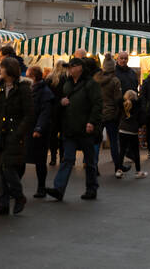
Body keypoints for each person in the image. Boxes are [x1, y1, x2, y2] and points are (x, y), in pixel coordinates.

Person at [0, 57, 34, 215]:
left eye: (2, 67)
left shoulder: (23, 88)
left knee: (7, 167)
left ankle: (18, 196)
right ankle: (3, 204)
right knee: (0, 169)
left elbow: (29, 114)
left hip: (14, 133)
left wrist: (19, 132)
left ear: (9, 69)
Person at [47, 57, 102, 202]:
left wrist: (92, 122)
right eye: (69, 67)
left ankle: (91, 189)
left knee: (90, 162)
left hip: (85, 128)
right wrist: (61, 102)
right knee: (67, 159)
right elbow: (61, 101)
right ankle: (58, 189)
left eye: (72, 67)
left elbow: (97, 104)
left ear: (80, 68)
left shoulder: (91, 84)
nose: (69, 69)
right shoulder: (67, 84)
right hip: (70, 128)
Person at [26, 66, 54, 198]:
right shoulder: (30, 90)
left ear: (34, 77)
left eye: (28, 76)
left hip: (39, 131)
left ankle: (41, 188)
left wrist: (39, 128)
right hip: (29, 129)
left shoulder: (45, 92)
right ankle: (14, 188)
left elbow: (45, 112)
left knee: (40, 161)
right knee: (23, 160)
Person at [94, 53, 123, 175]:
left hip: (98, 114)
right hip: (111, 114)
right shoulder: (115, 81)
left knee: (96, 142)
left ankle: (94, 167)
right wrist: (118, 113)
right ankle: (118, 167)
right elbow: (118, 99)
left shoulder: (95, 79)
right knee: (114, 142)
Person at [118, 90, 148, 179]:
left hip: (122, 130)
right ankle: (138, 171)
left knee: (122, 150)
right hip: (132, 131)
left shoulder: (122, 104)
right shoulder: (137, 106)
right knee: (135, 151)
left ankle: (119, 170)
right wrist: (139, 125)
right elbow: (142, 119)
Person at [47, 60, 67, 166]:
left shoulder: (50, 79)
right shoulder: (67, 79)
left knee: (53, 135)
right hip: (64, 109)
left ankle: (53, 158)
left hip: (52, 110)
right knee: (64, 134)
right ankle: (63, 156)